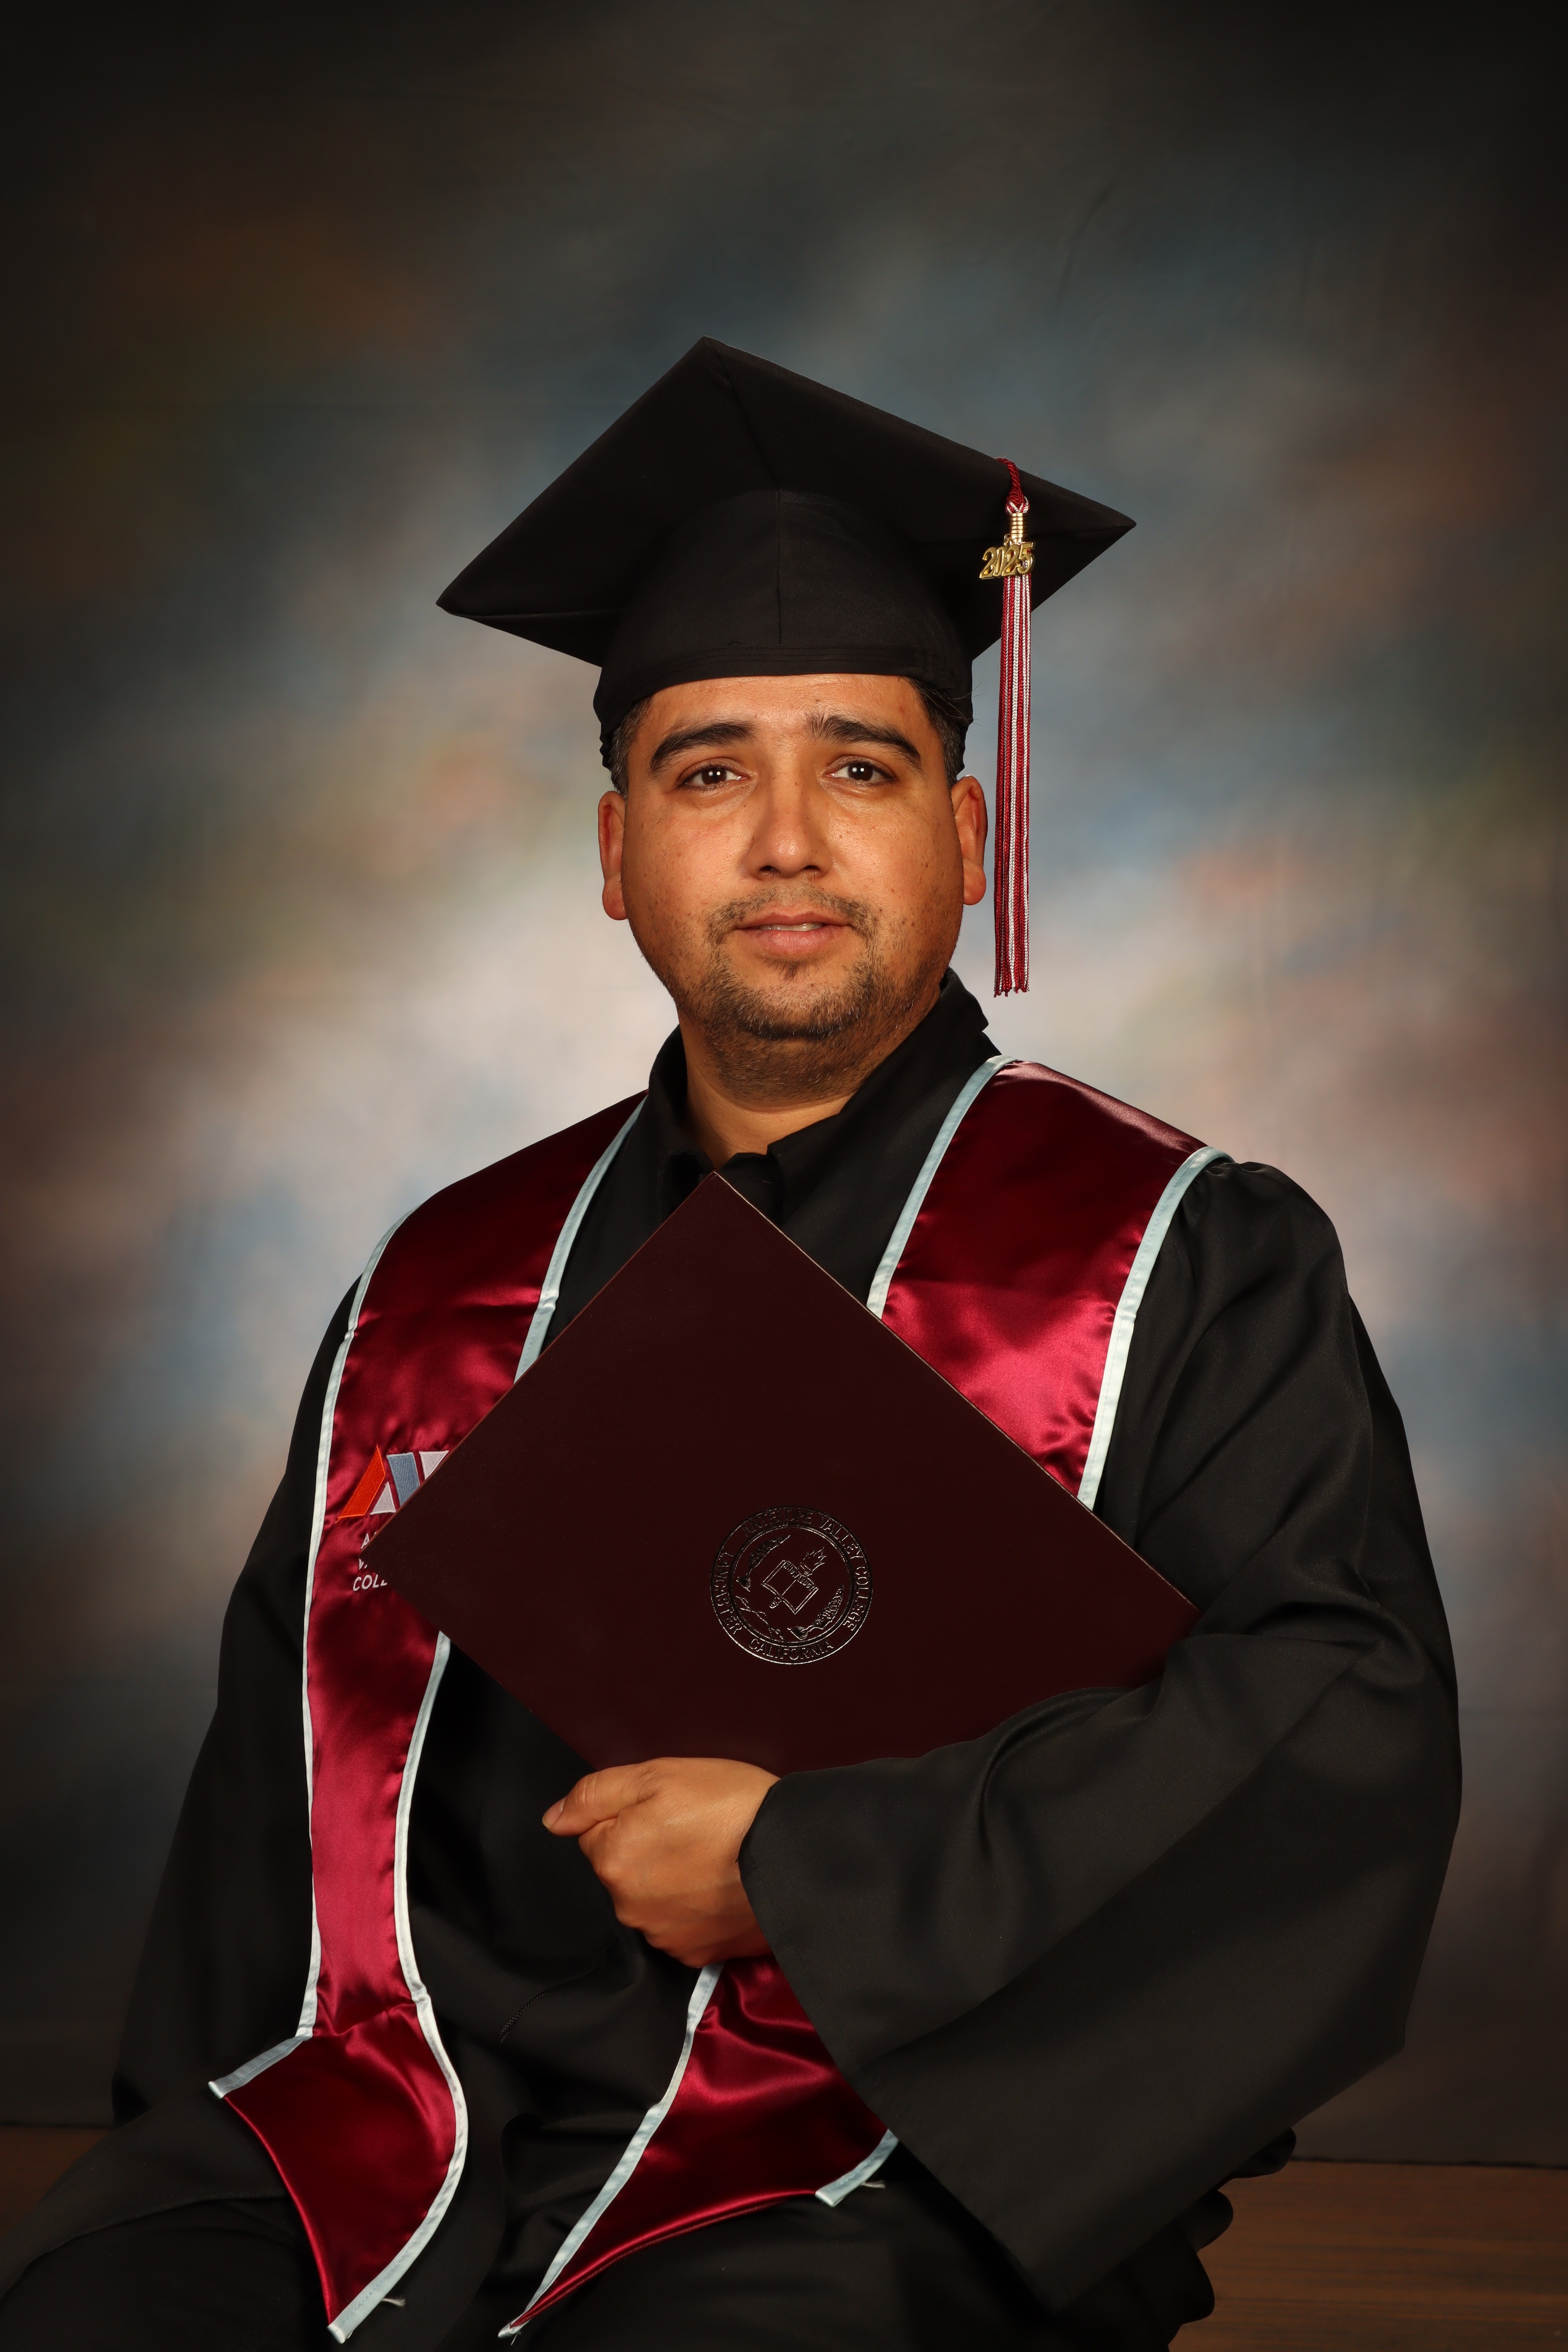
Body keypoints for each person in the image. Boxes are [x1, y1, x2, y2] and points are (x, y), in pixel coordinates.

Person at [0, 341, 1460, 2352]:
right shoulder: (442, 1282)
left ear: (966, 832)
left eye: (858, 767)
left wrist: (813, 1866)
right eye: (707, 772)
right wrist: (198, 2156)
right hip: (407, 2120)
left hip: (879, 2159)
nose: (784, 841)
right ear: (616, 858)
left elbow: (1334, 1730)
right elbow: (270, 1816)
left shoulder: (1184, 1256)